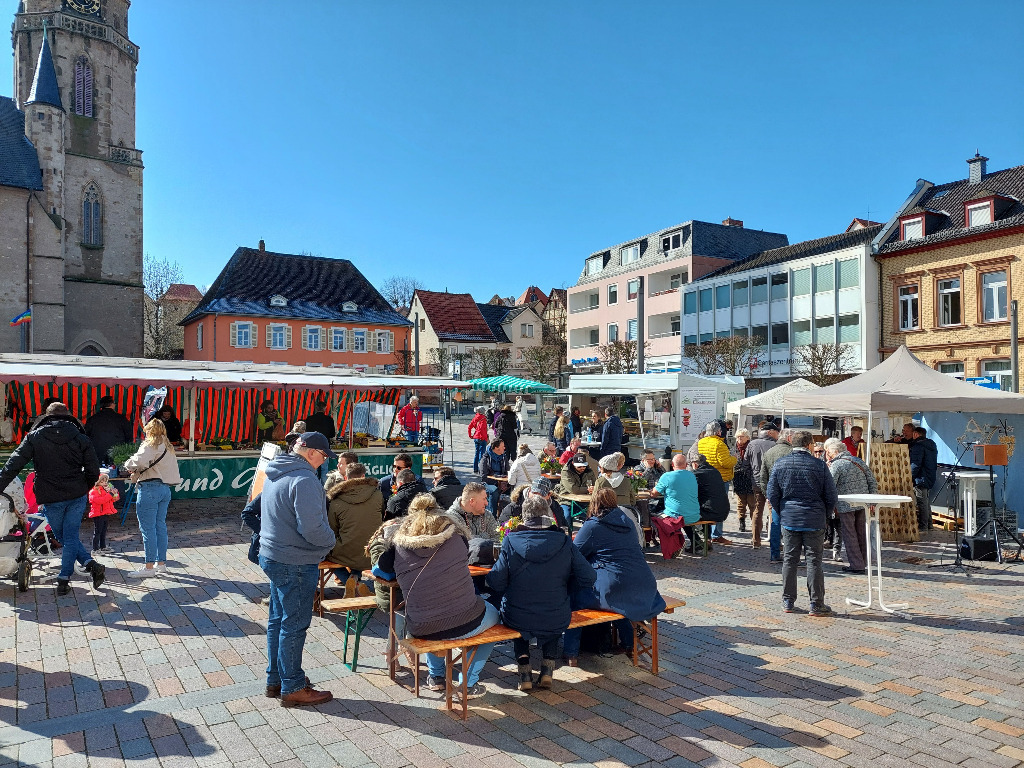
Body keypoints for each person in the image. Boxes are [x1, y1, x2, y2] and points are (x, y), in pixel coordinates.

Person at [373, 494, 499, 697]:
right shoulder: (457, 538)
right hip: (466, 621)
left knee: (431, 613)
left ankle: (436, 676)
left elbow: (380, 570)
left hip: (421, 627)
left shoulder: (397, 546)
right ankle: (468, 681)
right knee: (494, 614)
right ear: (439, 513)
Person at [258, 432, 337, 707]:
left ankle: (276, 679)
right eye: (324, 456)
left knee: (279, 621)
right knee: (293, 624)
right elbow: (313, 529)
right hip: (295, 560)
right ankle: (291, 685)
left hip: (274, 554)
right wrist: (331, 541)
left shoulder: (277, 471)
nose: (323, 461)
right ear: (313, 452)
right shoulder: (304, 480)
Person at [486, 495, 595, 690]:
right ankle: (547, 670)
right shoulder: (564, 541)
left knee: (516, 614)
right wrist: (565, 588)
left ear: (523, 515)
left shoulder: (511, 541)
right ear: (547, 513)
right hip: (556, 612)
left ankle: (525, 672)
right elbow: (589, 577)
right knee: (553, 610)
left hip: (518, 613)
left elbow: (496, 581)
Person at [0, 402, 104, 595]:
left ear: (46, 416)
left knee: (64, 536)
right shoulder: (81, 438)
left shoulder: (34, 437)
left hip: (50, 496)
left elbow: (13, 465)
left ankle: (64, 578)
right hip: (76, 494)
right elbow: (93, 471)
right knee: (68, 536)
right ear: (68, 416)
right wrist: (83, 487)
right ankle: (89, 565)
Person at [562, 488, 666, 664]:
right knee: (619, 603)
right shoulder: (627, 520)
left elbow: (575, 554)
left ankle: (571, 652)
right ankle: (628, 642)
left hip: (615, 585)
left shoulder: (593, 525)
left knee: (575, 598)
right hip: (644, 582)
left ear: (593, 502)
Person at [767, 430, 838, 616]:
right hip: (814, 518)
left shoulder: (780, 464)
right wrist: (825, 514)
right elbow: (831, 496)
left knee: (790, 560)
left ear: (792, 443)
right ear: (809, 445)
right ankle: (816, 603)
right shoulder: (819, 466)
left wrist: (783, 511)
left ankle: (788, 601)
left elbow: (772, 493)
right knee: (814, 561)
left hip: (790, 518)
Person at [123, 418, 183, 577]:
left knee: (147, 529)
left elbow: (136, 462)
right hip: (165, 489)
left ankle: (149, 567)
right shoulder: (168, 446)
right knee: (160, 526)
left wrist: (127, 464)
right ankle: (161, 563)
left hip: (150, 488)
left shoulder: (151, 444)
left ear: (149, 430)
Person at [325, 462, 383, 590]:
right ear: (363, 476)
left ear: (346, 478)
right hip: (372, 551)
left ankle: (351, 582)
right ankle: (354, 578)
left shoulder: (336, 500)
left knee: (324, 554)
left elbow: (331, 529)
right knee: (358, 548)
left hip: (346, 552)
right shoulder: (377, 494)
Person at [824, 438, 877, 574]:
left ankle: (856, 565)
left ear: (834, 451)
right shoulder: (858, 460)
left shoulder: (837, 465)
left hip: (846, 504)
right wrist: (872, 501)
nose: (826, 454)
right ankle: (863, 562)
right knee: (861, 533)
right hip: (863, 502)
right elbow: (872, 481)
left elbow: (830, 486)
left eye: (827, 451)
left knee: (850, 534)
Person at [651, 454, 702, 553]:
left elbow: (654, 494)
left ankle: (674, 544)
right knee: (683, 514)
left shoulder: (667, 476)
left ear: (672, 464)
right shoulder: (692, 475)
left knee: (655, 516)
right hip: (694, 514)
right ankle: (697, 542)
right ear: (686, 464)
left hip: (676, 516)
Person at [697, 421, 737, 544]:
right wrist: (734, 458)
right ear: (718, 432)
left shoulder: (701, 442)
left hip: (704, 478)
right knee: (720, 507)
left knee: (706, 506)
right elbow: (725, 462)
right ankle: (717, 534)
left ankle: (707, 535)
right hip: (720, 478)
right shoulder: (720, 444)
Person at [760, 428, 794, 564]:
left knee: (775, 523)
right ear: (790, 438)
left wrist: (767, 494)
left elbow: (763, 476)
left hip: (774, 494)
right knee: (789, 524)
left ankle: (774, 554)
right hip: (790, 495)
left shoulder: (769, 452)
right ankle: (790, 553)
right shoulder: (792, 452)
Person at [746, 421, 779, 549]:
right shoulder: (774, 445)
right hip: (772, 482)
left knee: (757, 510)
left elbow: (745, 464)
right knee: (773, 511)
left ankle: (755, 540)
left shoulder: (752, 444)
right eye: (776, 432)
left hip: (757, 482)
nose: (777, 435)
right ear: (770, 432)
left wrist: (752, 476)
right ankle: (775, 542)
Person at [85, 394, 133, 465]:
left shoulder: (92, 419)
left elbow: (86, 437)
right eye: (114, 403)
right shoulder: (121, 419)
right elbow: (129, 437)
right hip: (117, 454)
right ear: (111, 404)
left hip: (97, 454)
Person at [909, 426, 938, 532]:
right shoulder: (931, 445)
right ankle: (929, 525)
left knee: (922, 502)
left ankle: (923, 525)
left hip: (921, 477)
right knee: (926, 501)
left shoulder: (918, 446)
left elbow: (915, 464)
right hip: (930, 476)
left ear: (916, 434)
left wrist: (910, 477)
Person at [87, 471, 119, 553]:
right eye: (102, 481)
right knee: (97, 531)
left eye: (105, 481)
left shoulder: (106, 490)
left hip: (105, 512)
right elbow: (100, 500)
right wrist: (110, 494)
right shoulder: (93, 491)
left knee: (103, 531)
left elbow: (114, 499)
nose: (104, 483)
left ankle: (102, 546)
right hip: (98, 513)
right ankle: (95, 548)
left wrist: (115, 493)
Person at [732, 429, 755, 535]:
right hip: (738, 477)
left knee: (752, 503)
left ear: (747, 437)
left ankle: (754, 523)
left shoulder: (752, 447)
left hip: (750, 478)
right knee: (741, 503)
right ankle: (742, 522)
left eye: (741, 436)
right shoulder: (733, 449)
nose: (739, 439)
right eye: (737, 437)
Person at [479, 439, 510, 515]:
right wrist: (497, 482)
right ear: (496, 448)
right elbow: (483, 477)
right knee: (494, 491)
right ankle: (492, 515)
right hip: (488, 483)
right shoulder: (485, 459)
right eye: (502, 446)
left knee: (514, 489)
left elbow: (508, 471)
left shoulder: (504, 457)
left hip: (502, 482)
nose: (504, 448)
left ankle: (507, 515)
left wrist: (505, 482)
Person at [468, 406, 490, 474]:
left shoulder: (475, 418)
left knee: (476, 453)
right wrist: (486, 438)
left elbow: (469, 427)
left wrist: (470, 435)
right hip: (482, 437)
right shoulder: (483, 418)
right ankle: (481, 469)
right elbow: (482, 430)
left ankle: (475, 468)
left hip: (476, 437)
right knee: (482, 454)